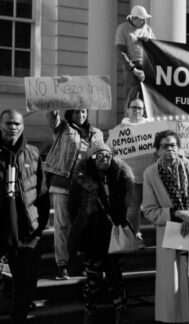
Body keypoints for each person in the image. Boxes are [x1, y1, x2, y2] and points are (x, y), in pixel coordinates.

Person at [67, 141, 135, 324]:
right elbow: (72, 209)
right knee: (93, 281)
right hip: (92, 238)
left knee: (116, 279)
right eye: (100, 155)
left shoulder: (119, 176)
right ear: (91, 158)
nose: (105, 158)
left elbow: (124, 204)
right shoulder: (82, 179)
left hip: (114, 235)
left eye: (108, 155)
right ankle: (90, 313)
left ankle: (121, 313)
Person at [142, 130, 189, 323]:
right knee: (172, 282)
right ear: (157, 150)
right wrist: (176, 213)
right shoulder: (150, 173)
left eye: (173, 145)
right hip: (168, 231)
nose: (169, 149)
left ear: (179, 147)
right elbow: (150, 211)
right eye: (164, 146)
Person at [0, 109, 49, 323]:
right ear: (1, 125)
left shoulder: (33, 153)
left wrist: (40, 226)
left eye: (17, 124)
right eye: (9, 123)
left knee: (26, 283)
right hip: (1, 229)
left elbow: (42, 192)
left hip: (27, 231)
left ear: (23, 126)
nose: (13, 127)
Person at [44, 109, 103, 280]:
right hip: (63, 183)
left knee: (84, 225)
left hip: (85, 186)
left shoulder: (97, 133)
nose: (81, 115)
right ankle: (62, 264)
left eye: (84, 111)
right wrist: (53, 108)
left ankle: (84, 261)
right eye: (77, 112)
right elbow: (51, 117)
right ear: (70, 113)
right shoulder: (63, 127)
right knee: (63, 225)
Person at [117, 98, 154, 241]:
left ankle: (164, 238)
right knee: (133, 210)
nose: (137, 110)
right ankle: (134, 238)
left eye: (140, 108)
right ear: (128, 109)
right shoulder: (121, 129)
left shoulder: (151, 127)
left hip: (150, 176)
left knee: (158, 208)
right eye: (134, 107)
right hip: (131, 178)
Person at [115, 5, 156, 101]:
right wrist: (133, 69)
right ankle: (129, 115)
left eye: (145, 19)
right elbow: (120, 51)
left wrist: (149, 42)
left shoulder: (148, 29)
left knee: (146, 99)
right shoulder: (123, 28)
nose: (144, 22)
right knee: (130, 99)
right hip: (132, 69)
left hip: (147, 67)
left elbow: (155, 47)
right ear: (134, 18)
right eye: (142, 19)